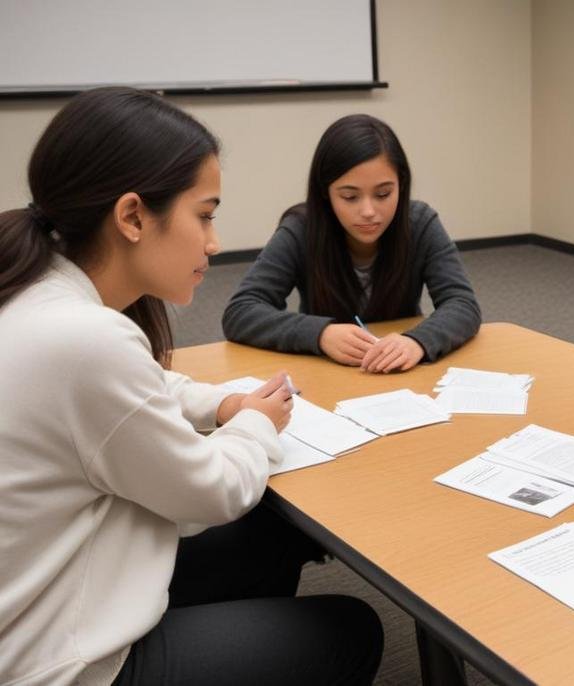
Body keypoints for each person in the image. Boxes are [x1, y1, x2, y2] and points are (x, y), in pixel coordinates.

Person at [0, 87, 382, 685]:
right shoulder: (86, 340)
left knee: (270, 531)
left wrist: (225, 403)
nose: (213, 241)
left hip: (47, 595)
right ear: (131, 216)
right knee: (350, 630)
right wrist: (257, 423)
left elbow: (141, 387)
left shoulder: (37, 292)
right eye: (204, 214)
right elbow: (213, 491)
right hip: (58, 662)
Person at [222, 114, 481, 373]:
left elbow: (462, 304)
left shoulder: (421, 224)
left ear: (401, 185)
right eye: (349, 196)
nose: (368, 211)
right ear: (326, 191)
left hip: (400, 374)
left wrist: (417, 341)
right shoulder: (301, 230)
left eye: (383, 194)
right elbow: (241, 312)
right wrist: (320, 334)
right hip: (326, 374)